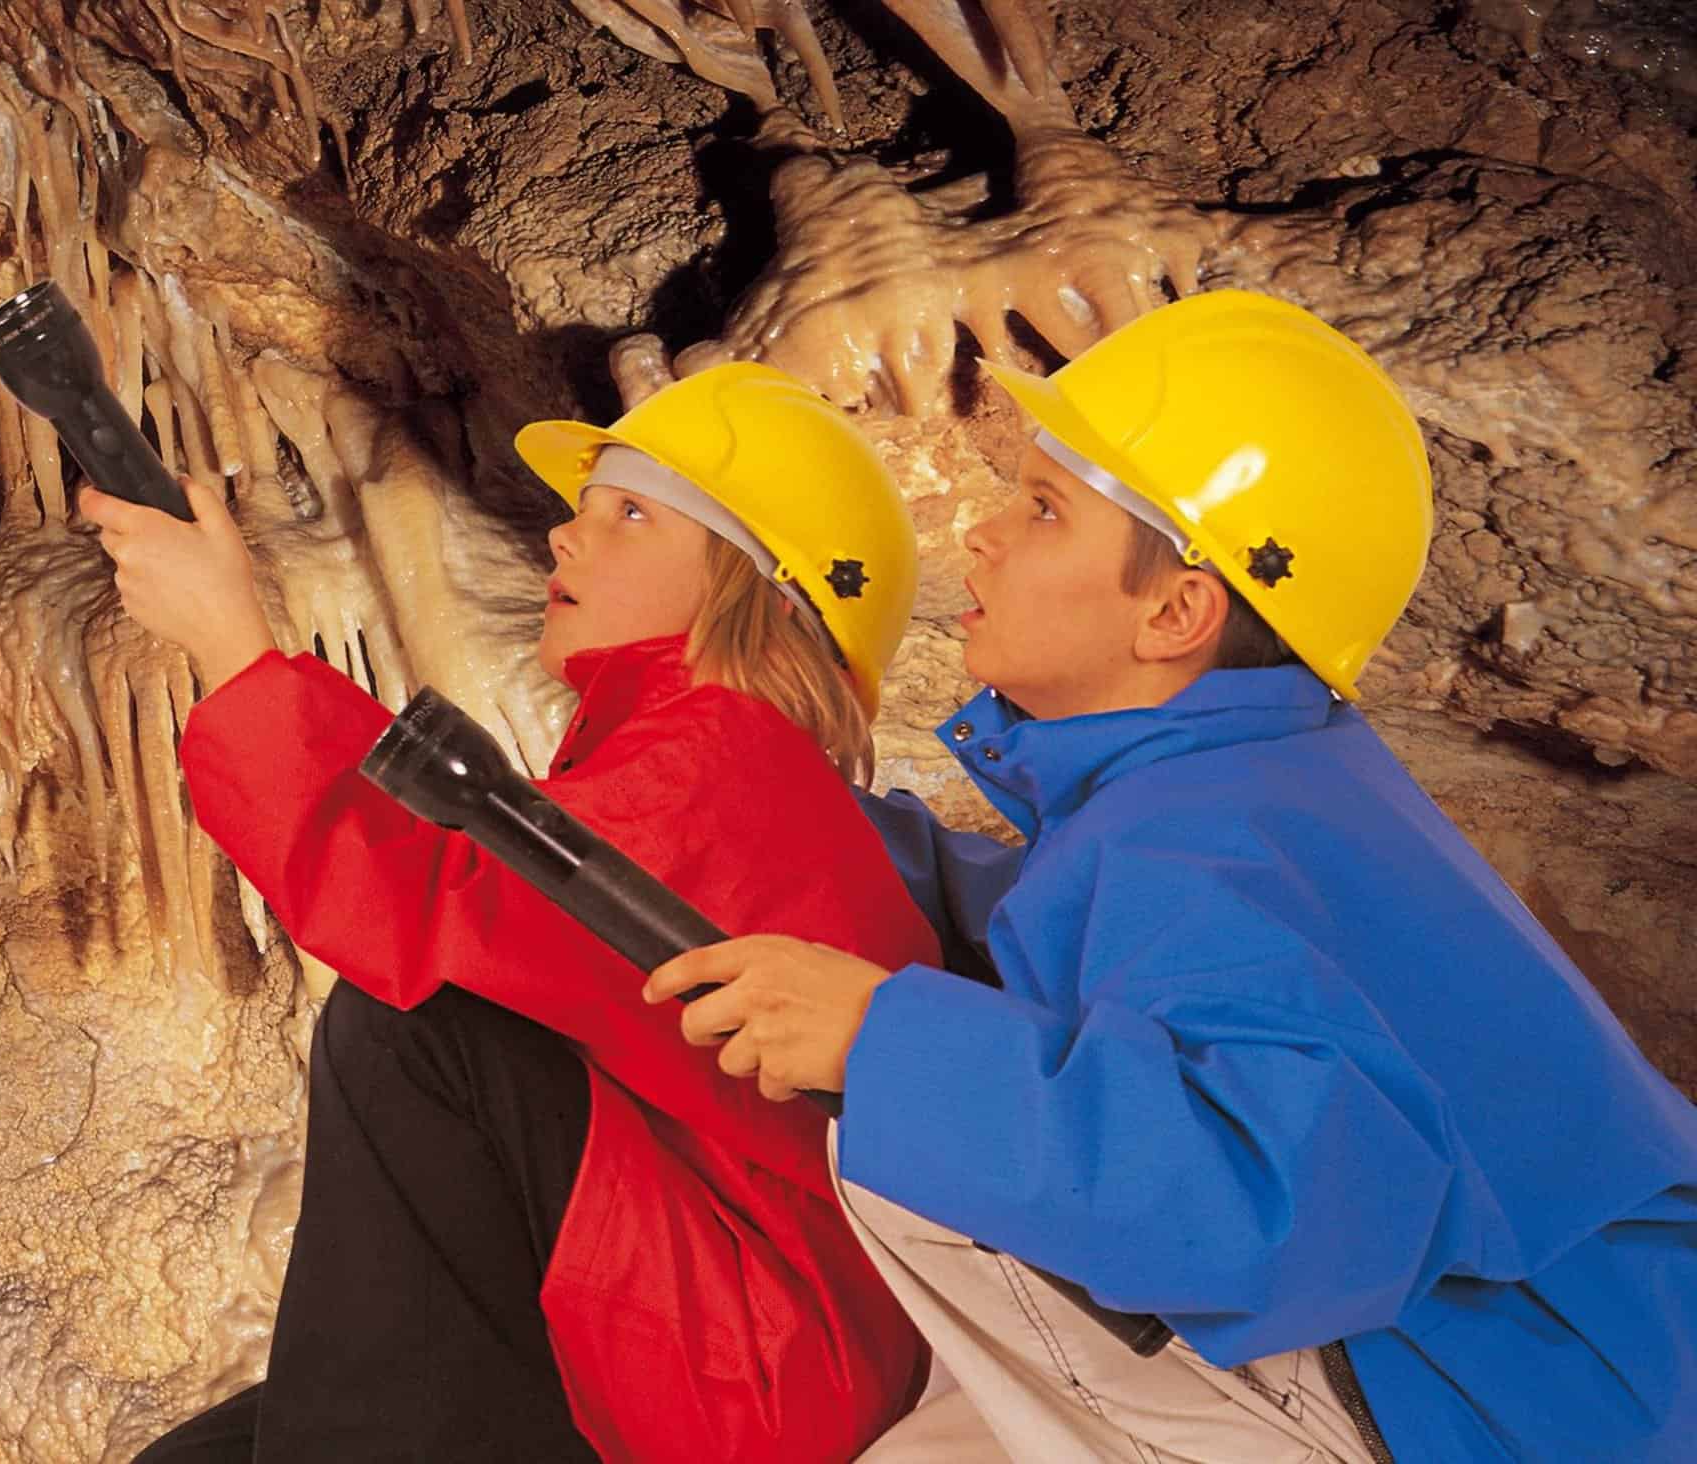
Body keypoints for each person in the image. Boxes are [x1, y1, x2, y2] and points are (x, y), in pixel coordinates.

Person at [648, 291, 1697, 1462]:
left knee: (905, 1131)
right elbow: (1095, 941)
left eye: (1042, 510)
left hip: (1499, 1404)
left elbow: (1278, 1206)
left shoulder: (1205, 832)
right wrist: (823, 826)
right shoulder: (1245, 787)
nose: (984, 534)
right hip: (1578, 1377)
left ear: (1177, 610)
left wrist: (878, 1045)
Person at [84, 362, 939, 1462]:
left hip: (757, 1359)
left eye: (629, 513)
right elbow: (473, 884)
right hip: (705, 1299)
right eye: (580, 510)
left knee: (418, 1030)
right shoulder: (696, 761)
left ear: (758, 591)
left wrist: (232, 643)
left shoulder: (721, 754)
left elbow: (418, 907)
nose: (565, 541)